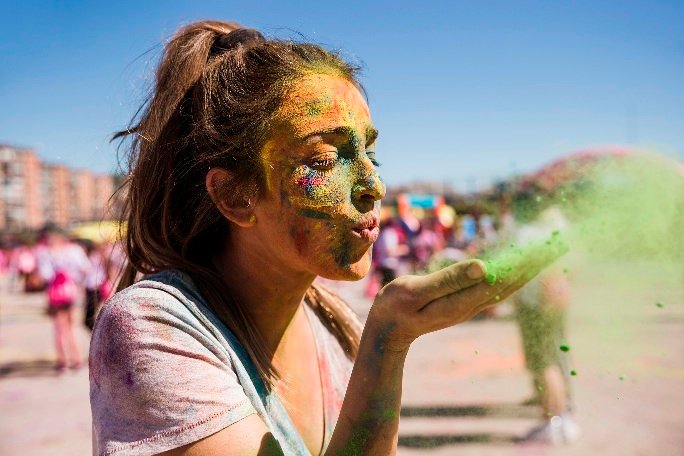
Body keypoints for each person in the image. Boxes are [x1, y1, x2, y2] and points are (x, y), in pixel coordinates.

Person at [89, 20, 562, 455]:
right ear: (235, 195)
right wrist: (388, 341)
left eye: (369, 152)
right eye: (322, 160)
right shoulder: (152, 328)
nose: (373, 185)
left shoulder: (332, 322)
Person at [510, 201, 580, 445]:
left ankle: (553, 422)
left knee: (543, 362)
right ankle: (563, 420)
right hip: (557, 301)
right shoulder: (560, 225)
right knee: (554, 357)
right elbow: (571, 266)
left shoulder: (527, 232)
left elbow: (516, 268)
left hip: (537, 304)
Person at [35, 226, 89, 371]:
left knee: (59, 328)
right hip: (71, 292)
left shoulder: (44, 253)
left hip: (55, 294)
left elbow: (44, 276)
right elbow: (85, 269)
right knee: (72, 326)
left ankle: (63, 360)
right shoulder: (74, 250)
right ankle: (77, 359)